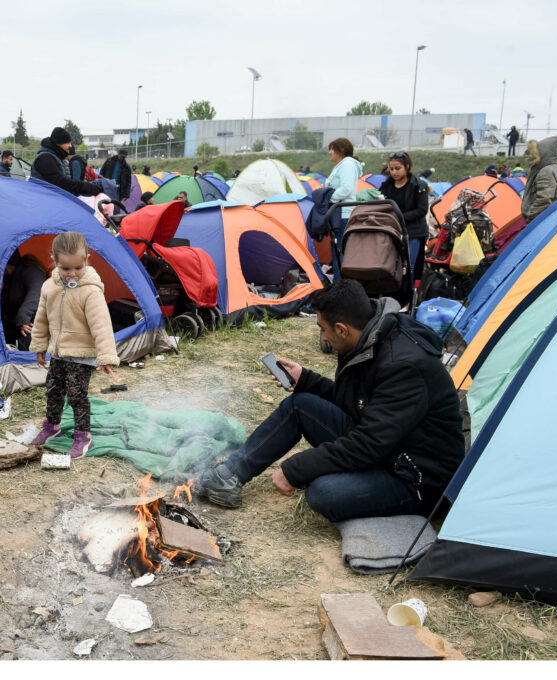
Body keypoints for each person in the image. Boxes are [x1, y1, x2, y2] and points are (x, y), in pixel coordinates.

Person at [195, 280, 465, 520]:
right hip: (388, 447)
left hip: (415, 477)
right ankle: (229, 475)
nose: (323, 338)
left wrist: (294, 469)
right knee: (300, 404)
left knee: (324, 492)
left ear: (342, 329)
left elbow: (367, 444)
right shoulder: (370, 337)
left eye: (323, 330)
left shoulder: (404, 367)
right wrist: (308, 380)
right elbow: (361, 404)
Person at [29, 231, 119, 458]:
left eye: (78, 267)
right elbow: (41, 318)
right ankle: (52, 428)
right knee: (53, 391)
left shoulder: (90, 290)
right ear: (55, 261)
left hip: (81, 355)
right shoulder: (49, 286)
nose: (73, 273)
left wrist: (106, 356)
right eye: (66, 268)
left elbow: (102, 325)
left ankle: (82, 435)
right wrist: (40, 345)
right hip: (59, 354)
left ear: (87, 259)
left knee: (77, 396)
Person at [378, 151, 429, 282]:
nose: (394, 172)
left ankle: (408, 297)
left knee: (409, 266)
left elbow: (422, 209)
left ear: (407, 167)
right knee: (390, 265)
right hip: (391, 231)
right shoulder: (387, 185)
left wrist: (400, 217)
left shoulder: (418, 185)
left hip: (413, 232)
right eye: (392, 169)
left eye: (398, 168)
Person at [323, 137, 364, 268]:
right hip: (338, 212)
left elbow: (346, 188)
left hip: (343, 214)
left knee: (339, 250)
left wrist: (328, 198)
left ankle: (341, 283)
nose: (330, 152)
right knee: (336, 250)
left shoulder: (347, 165)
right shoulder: (342, 166)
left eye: (332, 149)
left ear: (341, 150)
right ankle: (339, 282)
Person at [30, 127, 102, 197]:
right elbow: (60, 183)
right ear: (58, 143)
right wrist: (86, 187)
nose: (70, 146)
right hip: (45, 200)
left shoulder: (58, 157)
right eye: (67, 143)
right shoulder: (45, 158)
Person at [1, 250, 47, 351]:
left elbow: (37, 293)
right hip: (17, 324)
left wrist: (23, 318)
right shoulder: (9, 278)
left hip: (33, 322)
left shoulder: (31, 272)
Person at [521, 136, 557, 224]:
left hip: (544, 222)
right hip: (555, 220)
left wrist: (530, 217)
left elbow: (544, 201)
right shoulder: (555, 169)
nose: (532, 156)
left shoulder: (546, 171)